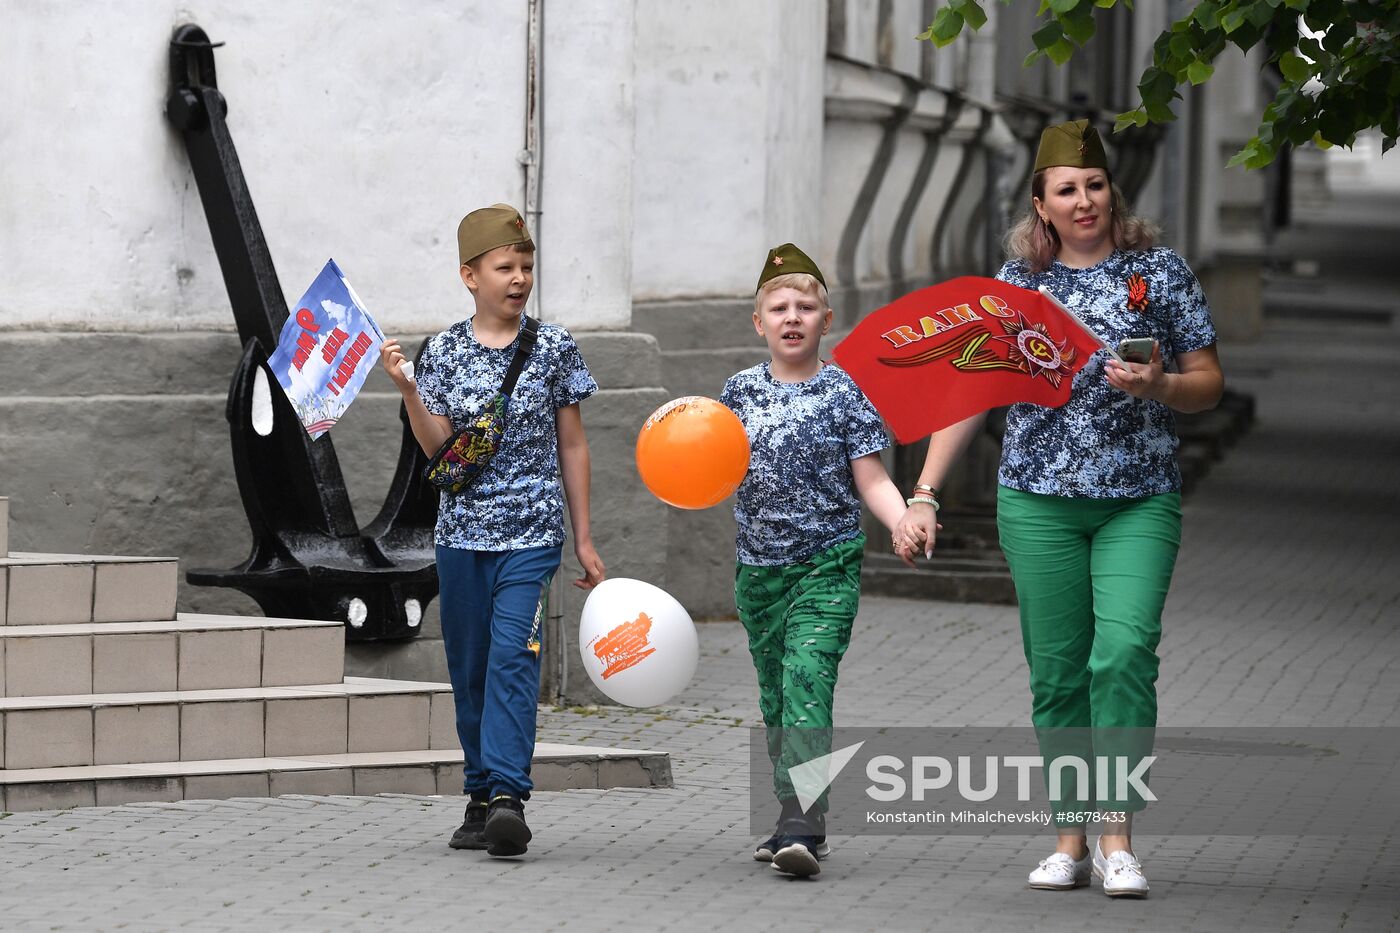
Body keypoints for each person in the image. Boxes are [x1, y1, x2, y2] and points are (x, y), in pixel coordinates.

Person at [894, 119, 1223, 897]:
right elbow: (971, 393)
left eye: (1096, 185)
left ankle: (1118, 838)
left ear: (1113, 192)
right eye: (1066, 190)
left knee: (1125, 653)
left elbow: (1206, 379)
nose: (1084, 201)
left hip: (1137, 499)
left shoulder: (1159, 273)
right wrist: (925, 492)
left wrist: (1161, 388)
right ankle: (1069, 839)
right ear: (1040, 203)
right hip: (1037, 501)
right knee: (1057, 673)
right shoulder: (1017, 286)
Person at [379, 203, 606, 858]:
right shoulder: (444, 350)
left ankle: (508, 793)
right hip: (460, 534)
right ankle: (479, 793)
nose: (519, 278)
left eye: (526, 265)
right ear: (469, 276)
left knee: (512, 655)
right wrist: (407, 390)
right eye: (505, 266)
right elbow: (440, 449)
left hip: (531, 535)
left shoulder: (555, 346)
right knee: (470, 665)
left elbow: (573, 445)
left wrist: (583, 536)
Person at [721, 243, 916, 878]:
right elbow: (710, 464)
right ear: (759, 323)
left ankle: (801, 819)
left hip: (826, 566)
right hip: (759, 573)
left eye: (806, 306)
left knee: (808, 677)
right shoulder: (737, 392)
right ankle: (793, 816)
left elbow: (872, 479)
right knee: (778, 695)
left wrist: (903, 520)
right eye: (778, 307)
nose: (792, 316)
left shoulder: (844, 393)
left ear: (826, 320)